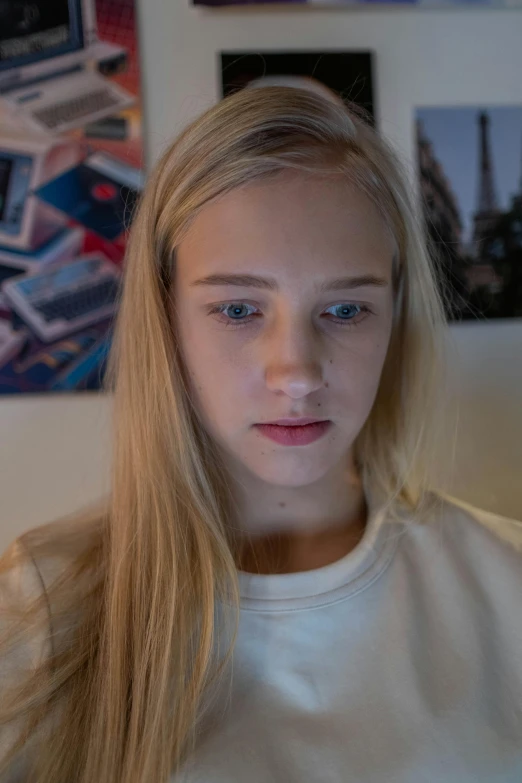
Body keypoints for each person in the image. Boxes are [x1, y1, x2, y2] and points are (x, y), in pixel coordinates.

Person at [0, 82, 521, 783]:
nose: (298, 374)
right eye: (240, 308)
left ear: (395, 316)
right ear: (168, 323)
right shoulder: (38, 609)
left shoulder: (506, 582)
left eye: (344, 309)